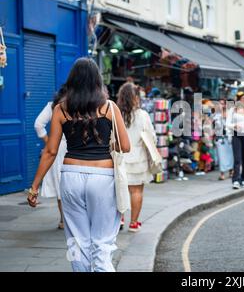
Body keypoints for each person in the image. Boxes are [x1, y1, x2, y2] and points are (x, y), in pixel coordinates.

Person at [27, 58, 130, 272]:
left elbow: (51, 151)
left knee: (76, 240)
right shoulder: (109, 108)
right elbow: (125, 146)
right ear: (97, 81)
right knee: (101, 244)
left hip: (71, 176)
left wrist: (34, 187)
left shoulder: (60, 109)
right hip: (103, 176)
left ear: (72, 80)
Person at [117, 82, 156, 233]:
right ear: (135, 98)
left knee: (118, 191)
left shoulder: (116, 114)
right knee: (136, 191)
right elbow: (151, 137)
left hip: (119, 158)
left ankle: (119, 219)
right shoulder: (143, 115)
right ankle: (133, 223)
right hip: (138, 158)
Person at [34, 85, 68, 230]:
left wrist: (49, 142)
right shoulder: (77, 104)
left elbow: (38, 125)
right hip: (73, 147)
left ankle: (63, 220)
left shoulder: (53, 106)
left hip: (58, 148)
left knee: (61, 184)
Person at [213, 99, 233, 181]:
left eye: (222, 104)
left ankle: (231, 171)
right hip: (220, 138)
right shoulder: (215, 115)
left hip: (229, 138)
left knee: (230, 156)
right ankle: (222, 173)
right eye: (219, 104)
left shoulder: (231, 114)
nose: (221, 105)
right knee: (221, 156)